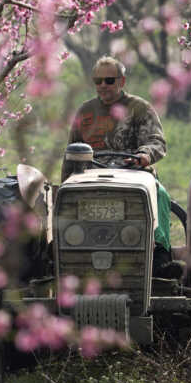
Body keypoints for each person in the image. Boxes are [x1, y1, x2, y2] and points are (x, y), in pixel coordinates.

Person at [64, 56, 177, 274]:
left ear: (121, 81)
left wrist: (144, 155)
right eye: (98, 81)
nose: (103, 86)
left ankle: (161, 253)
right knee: (67, 198)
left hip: (133, 173)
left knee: (160, 193)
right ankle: (66, 250)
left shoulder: (140, 108)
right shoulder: (85, 112)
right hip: (92, 176)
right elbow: (71, 152)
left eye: (109, 80)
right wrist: (65, 182)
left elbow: (157, 142)